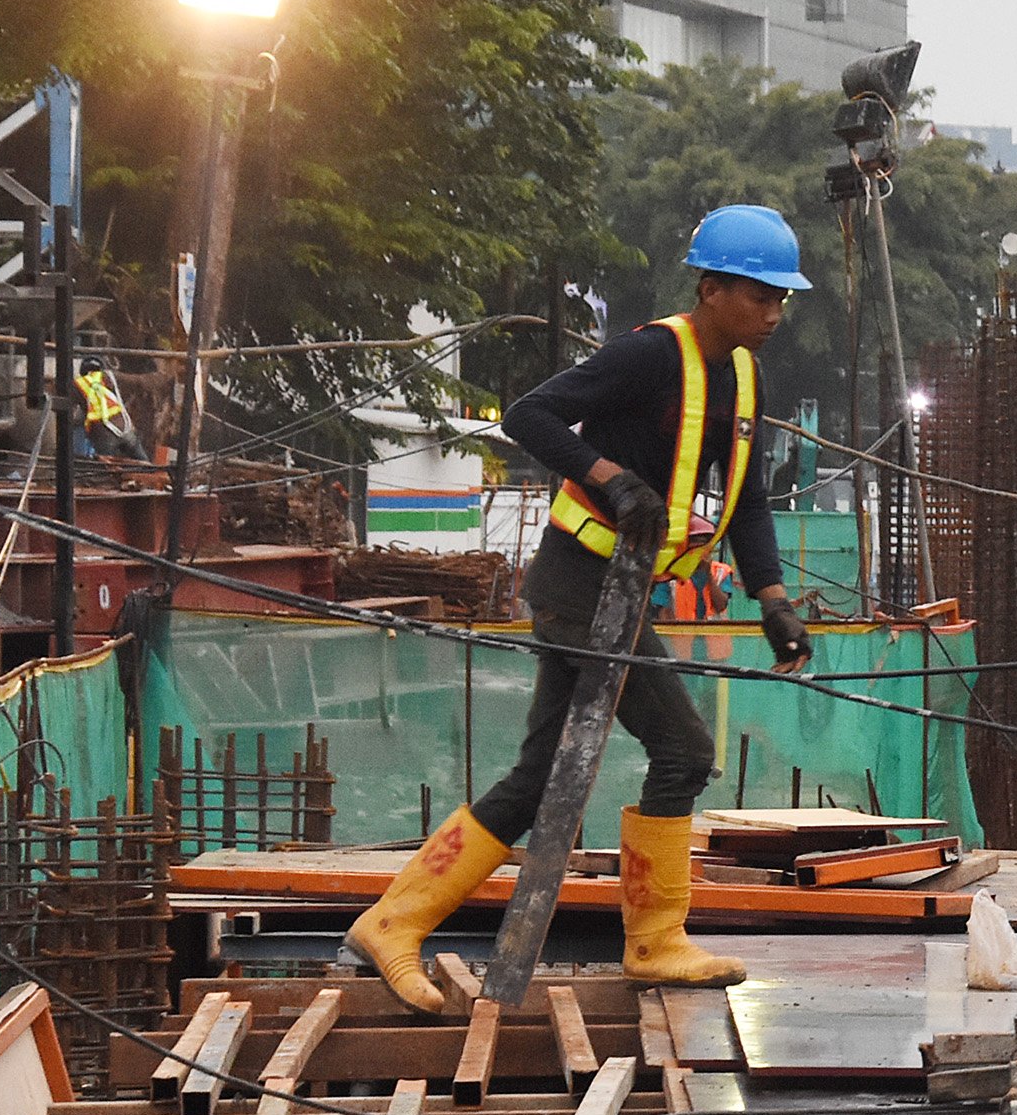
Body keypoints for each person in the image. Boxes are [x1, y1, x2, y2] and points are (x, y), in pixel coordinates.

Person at [346, 205, 820, 1009]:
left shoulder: (744, 374)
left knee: (537, 776)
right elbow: (528, 414)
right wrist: (607, 477)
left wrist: (772, 597)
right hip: (578, 591)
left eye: (782, 299)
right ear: (710, 289)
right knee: (684, 752)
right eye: (758, 295)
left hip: (623, 599)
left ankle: (393, 920)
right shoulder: (648, 355)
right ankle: (657, 940)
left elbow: (749, 498)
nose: (773, 313)